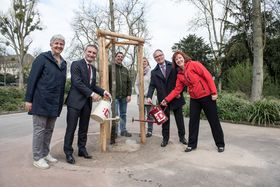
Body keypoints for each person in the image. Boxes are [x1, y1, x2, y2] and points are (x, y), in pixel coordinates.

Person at [161, 51, 225, 153]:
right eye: (176, 59)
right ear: (175, 62)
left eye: (180, 57)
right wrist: (166, 99)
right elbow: (177, 90)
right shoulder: (180, 75)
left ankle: (220, 144)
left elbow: (207, 76)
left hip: (207, 96)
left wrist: (214, 92)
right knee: (193, 123)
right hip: (194, 99)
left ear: (184, 57)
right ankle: (191, 145)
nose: (179, 60)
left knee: (214, 121)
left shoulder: (194, 64)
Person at [63, 44, 111, 164]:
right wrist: (92, 94)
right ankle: (68, 152)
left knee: (84, 128)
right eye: (89, 52)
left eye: (94, 53)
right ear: (85, 52)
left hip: (86, 104)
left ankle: (82, 149)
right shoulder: (76, 64)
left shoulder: (93, 69)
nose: (91, 54)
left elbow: (92, 86)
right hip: (74, 102)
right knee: (71, 128)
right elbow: (77, 82)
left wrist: (104, 91)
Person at [25, 34, 67, 169]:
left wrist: (61, 102)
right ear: (51, 44)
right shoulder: (42, 58)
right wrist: (28, 99)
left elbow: (62, 85)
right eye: (56, 43)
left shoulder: (64, 63)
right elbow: (32, 79)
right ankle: (37, 158)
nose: (59, 46)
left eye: (61, 44)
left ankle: (45, 153)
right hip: (41, 100)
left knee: (49, 130)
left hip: (55, 103)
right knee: (39, 130)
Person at [147, 49, 187, 147]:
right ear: (155, 59)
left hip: (176, 97)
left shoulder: (173, 66)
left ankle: (182, 138)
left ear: (163, 55)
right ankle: (165, 139)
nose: (159, 57)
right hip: (163, 100)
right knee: (165, 120)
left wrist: (180, 92)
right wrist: (149, 96)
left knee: (179, 119)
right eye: (156, 57)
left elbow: (182, 79)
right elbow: (152, 85)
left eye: (160, 55)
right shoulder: (153, 72)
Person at [109, 52, 132, 137]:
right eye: (118, 56)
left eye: (121, 57)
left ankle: (123, 130)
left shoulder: (125, 69)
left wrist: (129, 94)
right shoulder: (110, 67)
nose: (120, 58)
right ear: (115, 57)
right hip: (114, 96)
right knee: (115, 115)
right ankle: (114, 132)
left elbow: (129, 83)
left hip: (123, 96)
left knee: (123, 114)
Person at [134, 57, 153, 137]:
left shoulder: (151, 72)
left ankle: (149, 131)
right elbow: (136, 84)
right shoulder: (139, 72)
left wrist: (147, 94)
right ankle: (142, 130)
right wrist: (139, 93)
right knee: (142, 114)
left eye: (145, 61)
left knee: (149, 115)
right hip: (140, 97)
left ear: (148, 62)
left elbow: (152, 85)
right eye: (142, 62)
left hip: (149, 97)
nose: (144, 63)